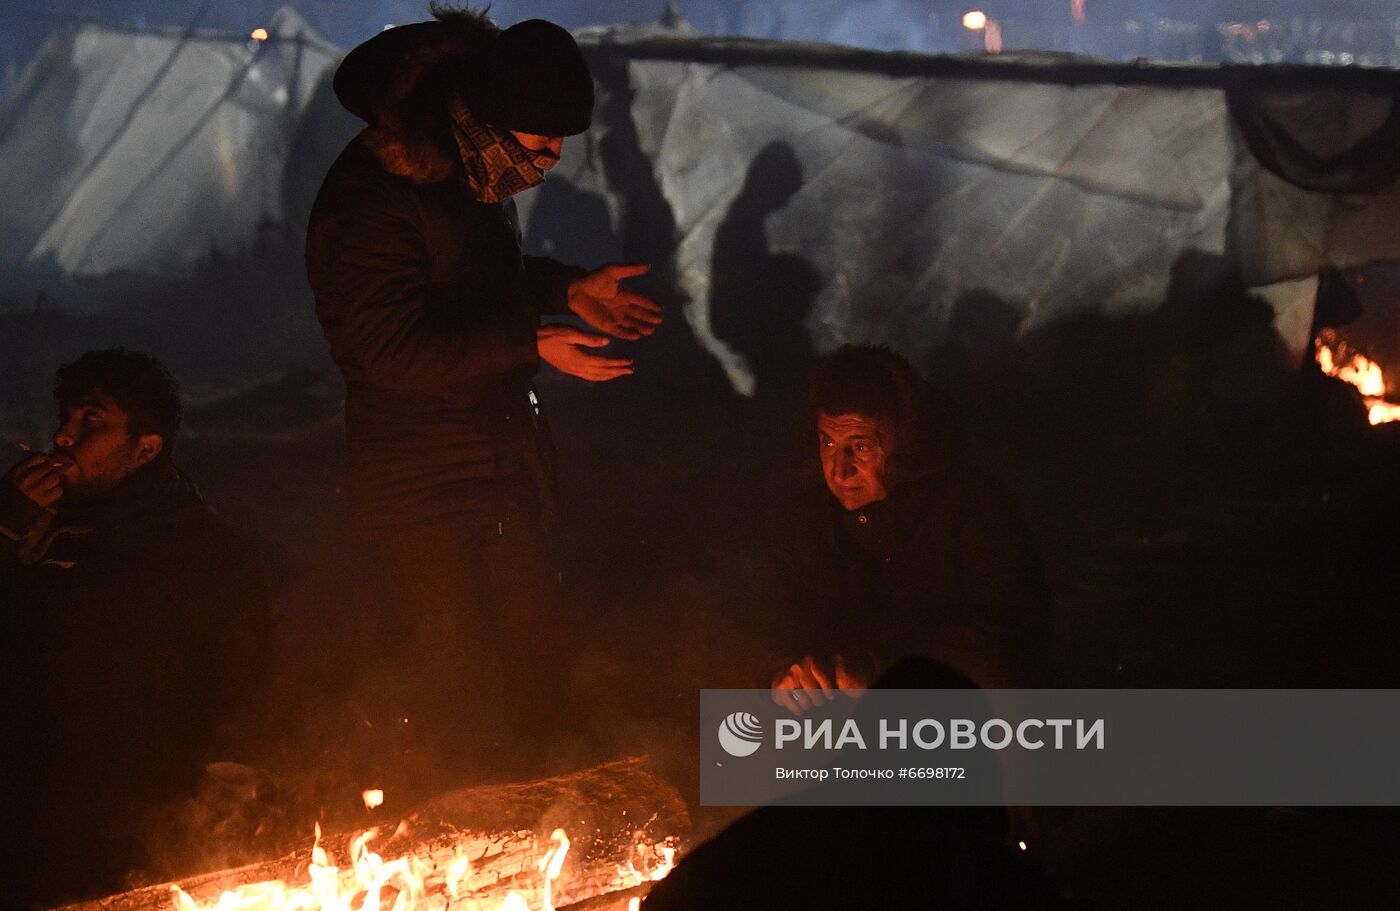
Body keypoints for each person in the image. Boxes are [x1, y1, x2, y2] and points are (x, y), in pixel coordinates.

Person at [303, 7, 661, 780]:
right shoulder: (375, 195)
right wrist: (532, 341)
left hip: (498, 467)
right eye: (539, 145)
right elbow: (391, 350)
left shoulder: (466, 172)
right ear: (489, 121)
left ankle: (547, 838)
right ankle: (454, 855)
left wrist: (569, 288)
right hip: (420, 488)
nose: (552, 161)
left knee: (537, 665)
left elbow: (474, 283)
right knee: (457, 690)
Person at [0, 349, 270, 907]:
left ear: (146, 447)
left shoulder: (194, 549)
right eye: (66, 418)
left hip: (120, 821)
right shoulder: (42, 524)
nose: (63, 437)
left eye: (90, 420)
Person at [729, 344, 1049, 712]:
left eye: (860, 447)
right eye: (828, 443)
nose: (839, 470)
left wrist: (883, 670)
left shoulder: (972, 509)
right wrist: (780, 673)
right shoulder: (803, 525)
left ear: (904, 444)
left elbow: (1014, 629)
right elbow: (758, 621)